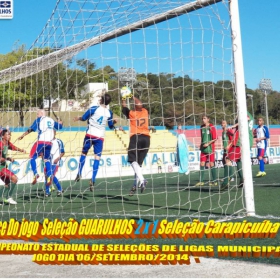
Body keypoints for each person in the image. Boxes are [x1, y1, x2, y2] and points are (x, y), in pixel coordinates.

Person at [73, 93, 116, 191]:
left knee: (84, 153)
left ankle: (79, 173)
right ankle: (93, 179)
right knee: (97, 158)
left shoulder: (94, 108)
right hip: (100, 137)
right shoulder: (110, 113)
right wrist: (114, 123)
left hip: (90, 135)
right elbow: (110, 126)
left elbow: (84, 118)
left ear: (101, 100)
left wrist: (78, 118)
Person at [18, 109, 63, 186]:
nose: (37, 115)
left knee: (32, 157)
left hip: (41, 142)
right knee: (46, 160)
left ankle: (35, 174)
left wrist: (23, 135)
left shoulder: (39, 119)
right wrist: (60, 123)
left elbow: (31, 129)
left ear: (42, 114)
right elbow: (59, 127)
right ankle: (49, 176)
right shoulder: (51, 120)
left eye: (37, 113)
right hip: (49, 144)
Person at [122, 96, 150, 195]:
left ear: (134, 106)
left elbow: (124, 107)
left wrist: (124, 98)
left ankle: (142, 180)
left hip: (136, 138)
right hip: (146, 139)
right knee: (138, 164)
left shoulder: (132, 113)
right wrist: (134, 97)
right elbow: (139, 104)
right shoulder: (145, 111)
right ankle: (134, 185)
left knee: (132, 160)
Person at [0, 129, 26, 204]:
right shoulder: (0, 144)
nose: (9, 136)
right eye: (8, 135)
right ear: (2, 136)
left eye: (10, 135)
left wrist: (21, 150)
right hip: (0, 168)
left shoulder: (7, 143)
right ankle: (8, 197)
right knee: (15, 178)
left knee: (8, 184)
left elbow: (13, 147)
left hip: (3, 166)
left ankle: (5, 198)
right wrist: (7, 158)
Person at [196, 115, 217, 186]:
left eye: (204, 118)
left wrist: (208, 143)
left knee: (211, 164)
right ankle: (201, 181)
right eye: (202, 118)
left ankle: (214, 181)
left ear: (208, 119)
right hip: (203, 149)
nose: (203, 120)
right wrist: (201, 145)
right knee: (202, 163)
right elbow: (202, 137)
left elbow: (215, 138)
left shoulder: (212, 127)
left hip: (210, 148)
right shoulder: (202, 127)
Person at [44, 130, 65, 197]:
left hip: (55, 162)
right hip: (48, 161)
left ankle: (59, 188)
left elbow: (63, 152)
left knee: (51, 175)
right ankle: (47, 192)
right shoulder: (46, 142)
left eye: (52, 132)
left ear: (55, 133)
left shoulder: (59, 141)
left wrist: (57, 158)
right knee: (47, 175)